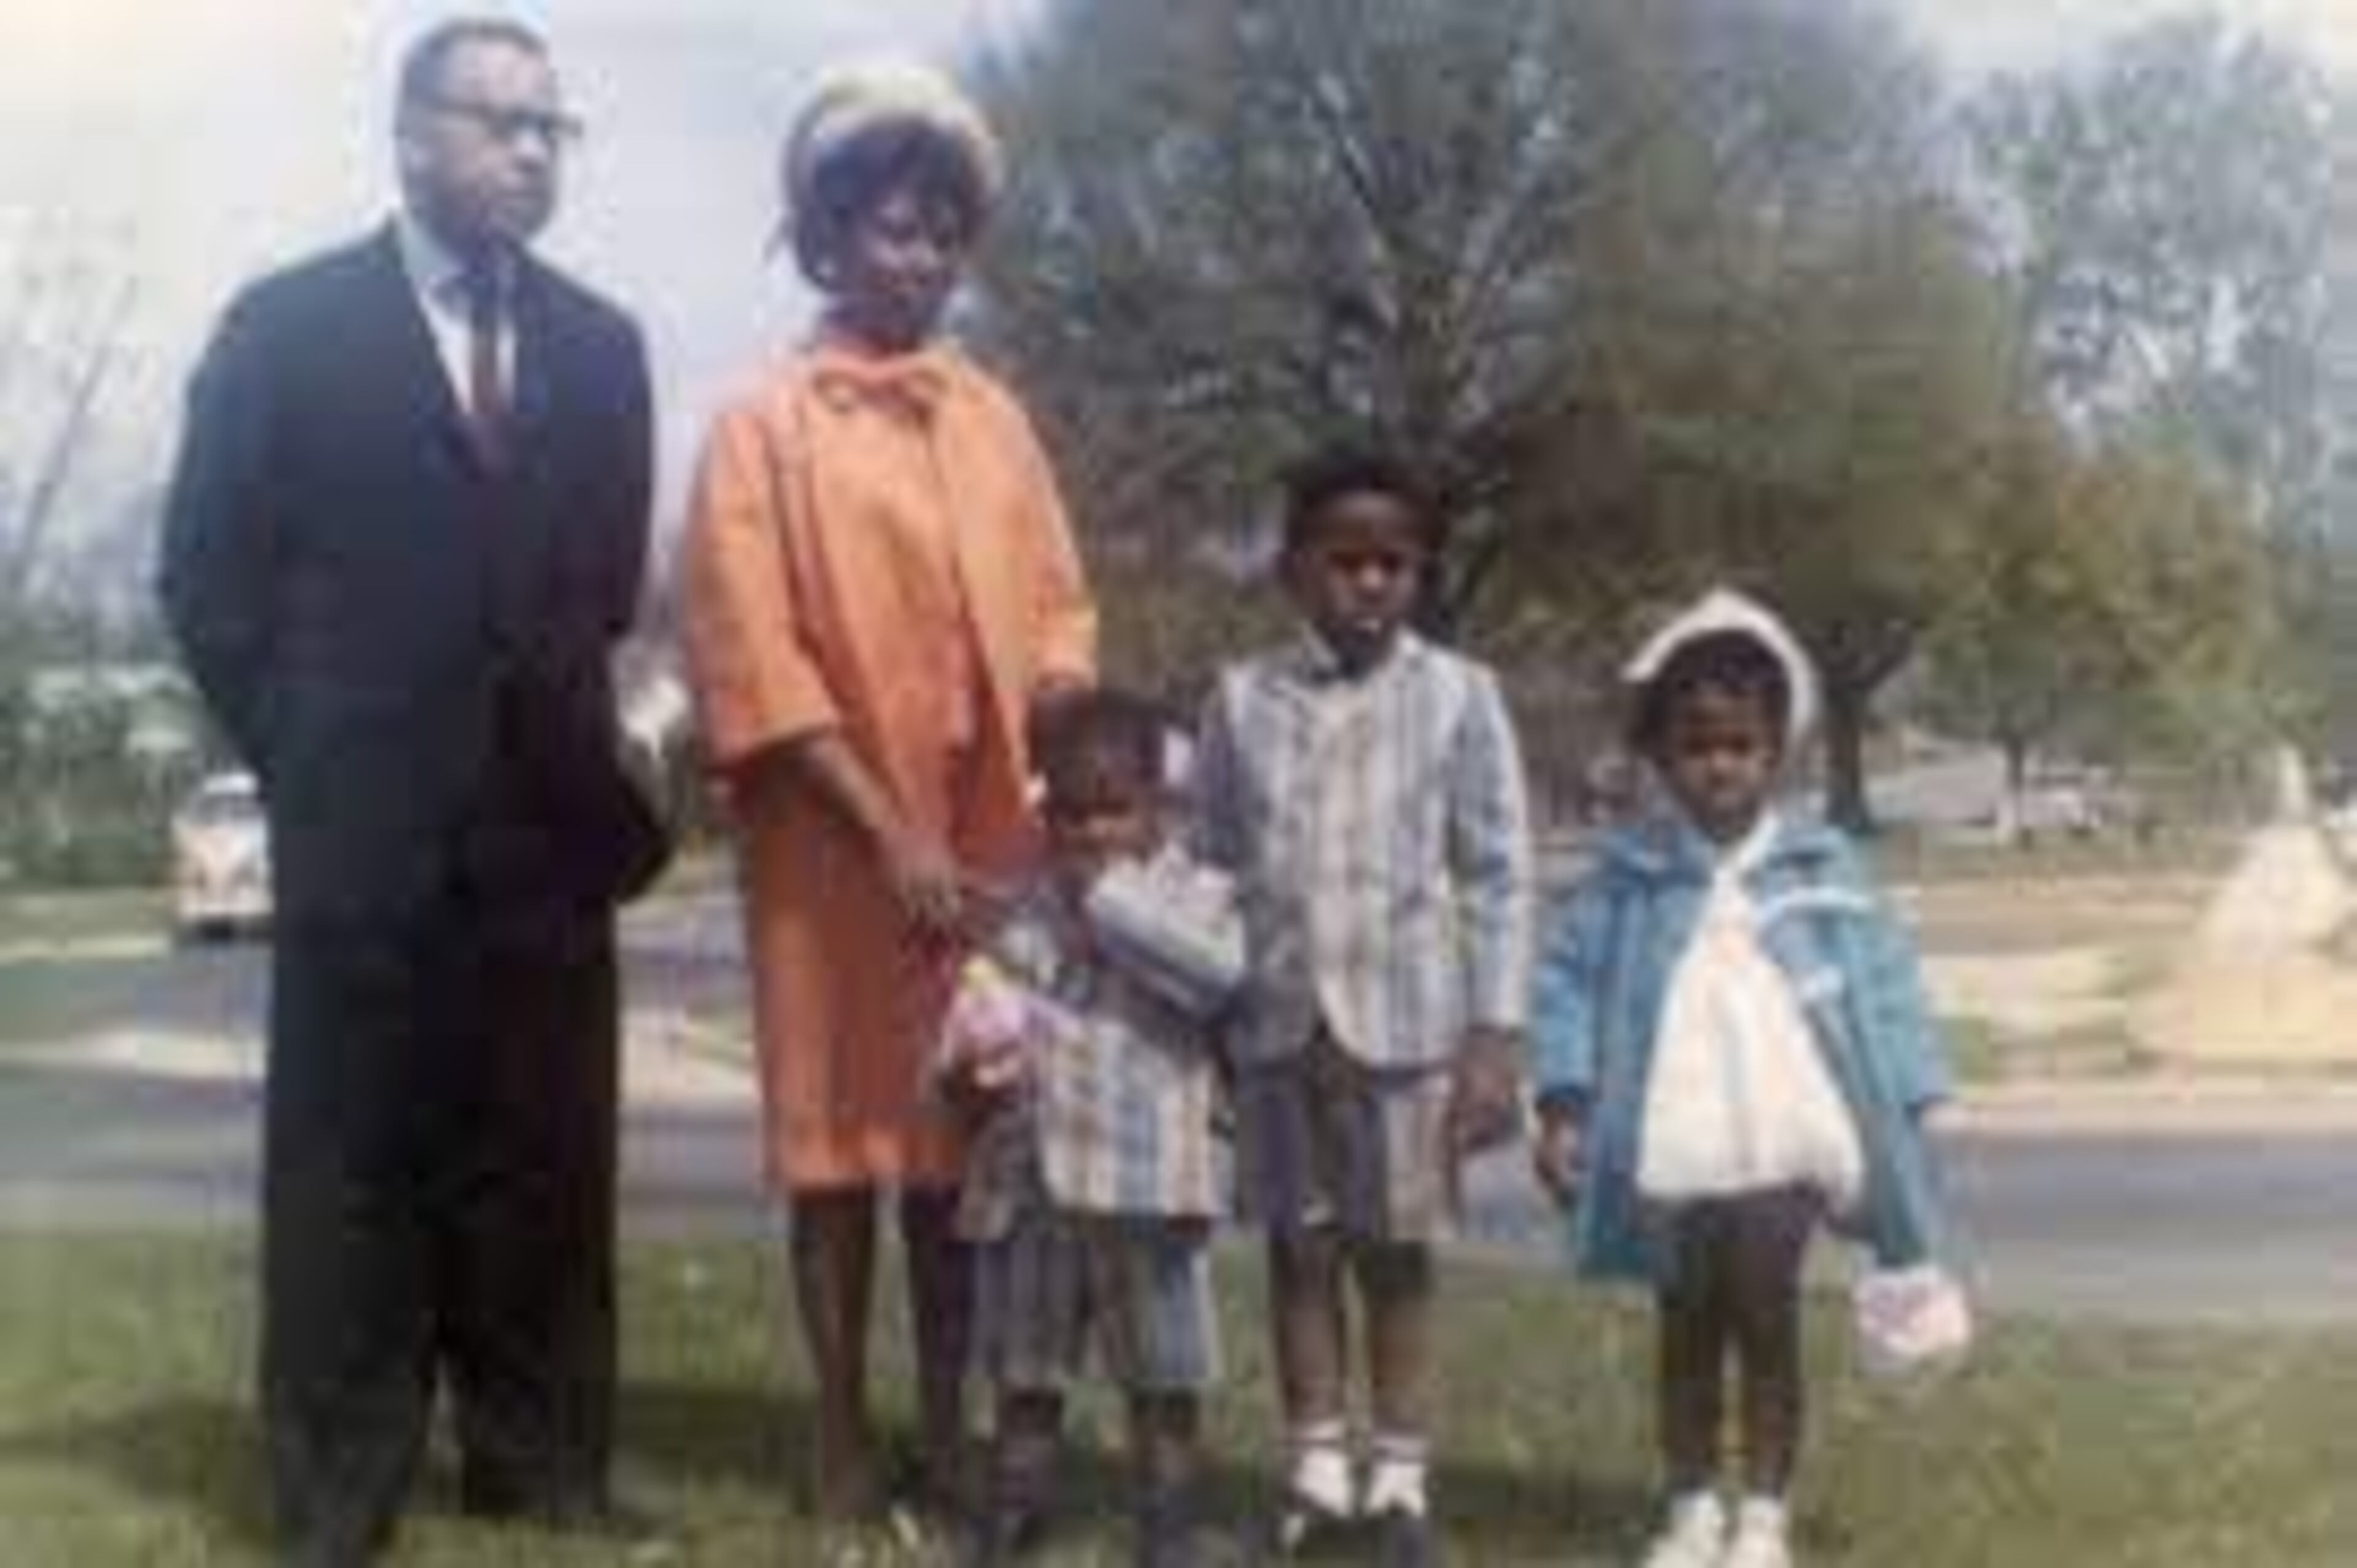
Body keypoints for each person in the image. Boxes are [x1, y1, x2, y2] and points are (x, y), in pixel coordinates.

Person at [156, 17, 663, 1566]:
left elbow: (605, 589)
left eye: (550, 129)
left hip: (547, 838)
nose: (530, 151)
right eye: (499, 121)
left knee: (546, 1164)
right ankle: (336, 1484)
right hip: (361, 832)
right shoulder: (287, 330)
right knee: (352, 1169)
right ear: (410, 135)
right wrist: (310, 753)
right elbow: (206, 577)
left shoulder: (603, 347)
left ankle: (541, 1464)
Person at [678, 58, 1097, 1531]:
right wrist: (888, 829)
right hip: (832, 847)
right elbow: (752, 650)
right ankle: (842, 1436)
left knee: (960, 1150)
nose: (911, 256)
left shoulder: (994, 419)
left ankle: (952, 1429)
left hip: (985, 841)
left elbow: (1059, 607)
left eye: (937, 231)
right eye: (882, 228)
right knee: (839, 1148)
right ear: (822, 240)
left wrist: (1061, 723)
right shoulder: (760, 428)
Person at [1528, 589, 1957, 1568]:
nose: (1720, 767)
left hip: (1785, 1122)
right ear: (1661, 753)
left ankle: (1763, 1511)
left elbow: (1884, 975)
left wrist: (1919, 1091)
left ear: (1779, 751)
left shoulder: (1821, 857)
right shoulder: (1632, 869)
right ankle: (1689, 1508)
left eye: (1742, 747)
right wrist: (1563, 1098)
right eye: (1697, 746)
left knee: (1765, 1310)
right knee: (1686, 1326)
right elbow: (1566, 980)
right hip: (1675, 1129)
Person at [1192, 448, 1536, 1567]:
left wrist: (1495, 1031)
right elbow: (1210, 867)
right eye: (1346, 562)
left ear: (1420, 573)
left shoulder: (1458, 695)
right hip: (1278, 1030)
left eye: (1395, 564)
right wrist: (1209, 1029)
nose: (1372, 584)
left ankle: (1399, 1478)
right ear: (1295, 569)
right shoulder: (1241, 701)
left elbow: (1496, 872)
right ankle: (1316, 1470)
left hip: (1410, 1035)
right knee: (1299, 1252)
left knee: (1398, 1257)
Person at [935, 689, 1236, 1568]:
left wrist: (1109, 901)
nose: (1092, 832)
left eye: (1115, 810)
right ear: (1046, 809)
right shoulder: (1025, 907)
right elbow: (980, 1011)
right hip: (1031, 1180)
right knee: (1025, 1363)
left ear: (1157, 805)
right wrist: (961, 1072)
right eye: (1071, 812)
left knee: (1163, 1369)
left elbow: (1216, 979)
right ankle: (1015, 1510)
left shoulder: (1198, 897)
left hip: (1149, 1184)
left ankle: (1168, 1521)